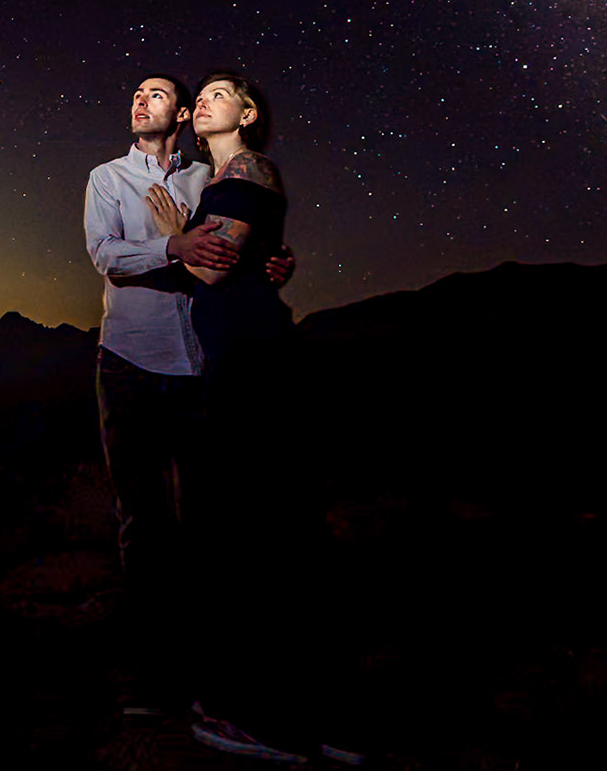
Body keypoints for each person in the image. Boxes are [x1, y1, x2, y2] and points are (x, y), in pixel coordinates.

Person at [145, 72, 365, 766]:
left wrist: (174, 235)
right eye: (200, 94)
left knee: (253, 526)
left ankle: (265, 720)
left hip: (247, 362)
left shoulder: (245, 168)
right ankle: (327, 720)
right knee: (279, 524)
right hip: (248, 353)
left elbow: (211, 268)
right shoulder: (229, 178)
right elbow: (250, 258)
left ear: (249, 112)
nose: (203, 99)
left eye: (220, 93)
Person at [83, 73, 292, 719]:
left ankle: (215, 676)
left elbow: (239, 241)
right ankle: (156, 679)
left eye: (156, 94)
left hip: (201, 365)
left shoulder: (208, 178)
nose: (140, 100)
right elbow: (105, 254)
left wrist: (271, 262)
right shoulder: (106, 178)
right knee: (143, 525)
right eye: (137, 93)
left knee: (207, 522)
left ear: (178, 114)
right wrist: (174, 245)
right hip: (130, 361)